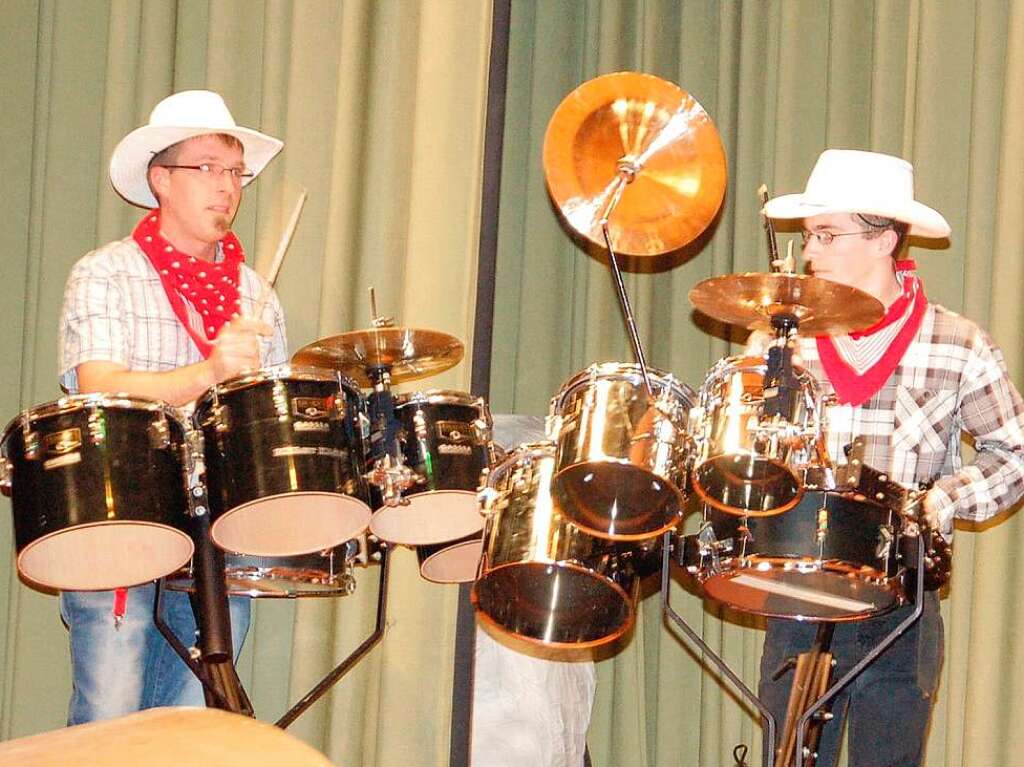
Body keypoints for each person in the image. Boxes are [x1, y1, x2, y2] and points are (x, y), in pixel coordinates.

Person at [753, 149, 1024, 765]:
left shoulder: (956, 342)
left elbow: (1016, 451)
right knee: (791, 754)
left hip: (902, 594)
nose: (810, 252)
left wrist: (945, 499)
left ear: (884, 240)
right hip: (799, 586)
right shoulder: (786, 338)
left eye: (826, 235)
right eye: (808, 236)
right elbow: (749, 453)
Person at [57, 90, 287, 724]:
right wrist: (210, 371)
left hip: (217, 532)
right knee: (109, 715)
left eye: (235, 172)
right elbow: (99, 384)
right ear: (160, 178)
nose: (227, 187)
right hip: (120, 514)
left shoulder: (255, 294)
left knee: (192, 722)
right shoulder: (106, 273)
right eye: (207, 168)